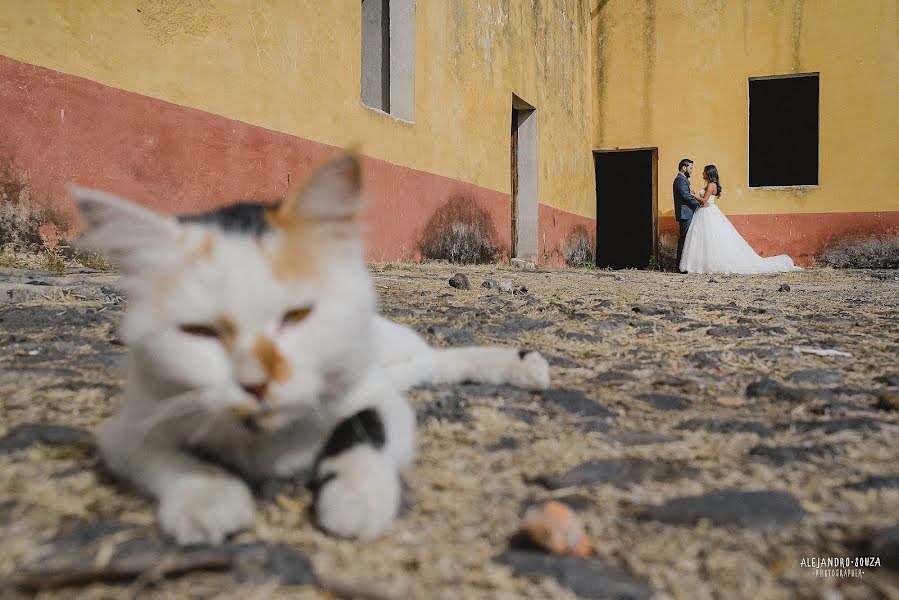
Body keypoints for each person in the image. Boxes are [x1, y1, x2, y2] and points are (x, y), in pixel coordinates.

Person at [679, 165, 800, 274]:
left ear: (709, 173)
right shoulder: (709, 185)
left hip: (707, 213)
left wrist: (693, 195)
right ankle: (704, 264)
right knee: (706, 239)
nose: (702, 173)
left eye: (704, 172)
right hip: (705, 212)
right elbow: (705, 199)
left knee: (711, 238)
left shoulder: (711, 185)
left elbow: (704, 201)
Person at [672, 159, 703, 271]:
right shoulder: (680, 180)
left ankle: (684, 265)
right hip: (685, 214)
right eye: (690, 168)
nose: (691, 171)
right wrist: (699, 204)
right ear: (684, 168)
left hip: (688, 213)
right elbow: (686, 195)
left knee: (687, 239)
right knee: (684, 239)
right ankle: (680, 266)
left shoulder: (684, 180)